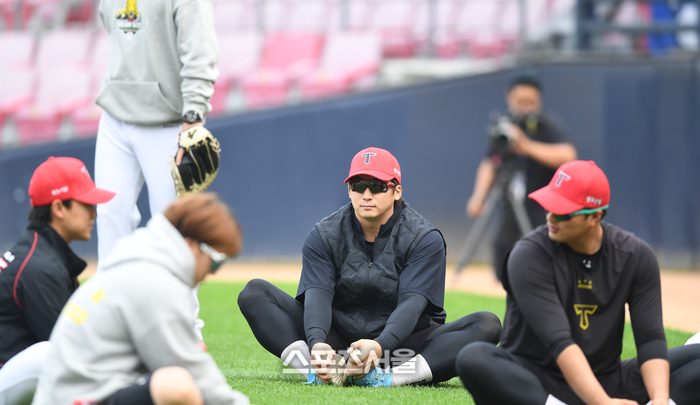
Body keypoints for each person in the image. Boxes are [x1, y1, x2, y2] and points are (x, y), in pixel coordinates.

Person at [238, 147, 501, 387]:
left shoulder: (424, 238)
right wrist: (317, 343)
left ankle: (386, 379)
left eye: (377, 186)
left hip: (400, 350)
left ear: (397, 191)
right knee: (254, 293)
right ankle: (317, 370)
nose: (366, 195)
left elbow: (411, 306)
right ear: (349, 190)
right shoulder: (324, 234)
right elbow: (318, 296)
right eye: (358, 185)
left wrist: (379, 346)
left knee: (487, 325)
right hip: (337, 344)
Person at [456, 160, 700, 405]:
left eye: (563, 211)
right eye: (549, 205)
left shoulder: (635, 256)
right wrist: (602, 403)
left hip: (605, 380)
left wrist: (659, 398)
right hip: (537, 382)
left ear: (595, 216)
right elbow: (559, 342)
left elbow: (650, 339)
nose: (551, 217)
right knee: (474, 358)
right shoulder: (528, 254)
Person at [32, 193, 249, 405]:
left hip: (77, 394)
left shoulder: (138, 259)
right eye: (216, 262)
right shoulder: (157, 284)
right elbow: (194, 371)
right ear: (192, 246)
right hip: (83, 397)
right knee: (176, 385)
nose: (211, 274)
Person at [94, 0, 219, 343]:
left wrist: (193, 118)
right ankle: (110, 323)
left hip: (168, 121)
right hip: (115, 116)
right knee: (110, 217)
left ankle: (184, 326)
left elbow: (200, 49)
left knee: (174, 228)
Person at [0, 157, 115, 404]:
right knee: (54, 355)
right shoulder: (40, 268)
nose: (94, 212)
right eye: (86, 203)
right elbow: (71, 355)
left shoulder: (40, 253)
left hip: (10, 379)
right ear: (59, 208)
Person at [466, 74, 577, 281]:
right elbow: (490, 162)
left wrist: (526, 146)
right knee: (502, 259)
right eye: (520, 102)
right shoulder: (503, 126)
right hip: (509, 209)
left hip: (541, 210)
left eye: (531, 102)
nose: (526, 108)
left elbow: (568, 155)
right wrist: (478, 197)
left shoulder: (547, 124)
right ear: (508, 97)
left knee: (539, 261)